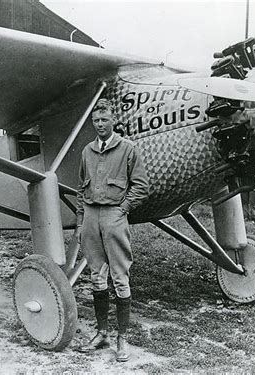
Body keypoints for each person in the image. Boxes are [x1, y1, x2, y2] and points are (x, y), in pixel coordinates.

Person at [76, 98, 149, 362]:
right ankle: (102, 333)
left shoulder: (128, 149)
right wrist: (80, 220)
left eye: (104, 120)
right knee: (97, 276)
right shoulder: (87, 151)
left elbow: (141, 186)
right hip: (91, 217)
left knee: (120, 277)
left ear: (113, 120)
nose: (100, 125)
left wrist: (123, 209)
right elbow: (81, 188)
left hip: (114, 216)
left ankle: (122, 338)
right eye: (96, 121)